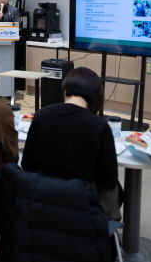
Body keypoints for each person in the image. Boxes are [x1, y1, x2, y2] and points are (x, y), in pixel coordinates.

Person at [21, 67, 120, 219]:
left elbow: (28, 165)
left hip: (43, 200)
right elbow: (109, 181)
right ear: (96, 97)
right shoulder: (99, 126)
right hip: (82, 206)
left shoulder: (41, 115)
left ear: (66, 90)